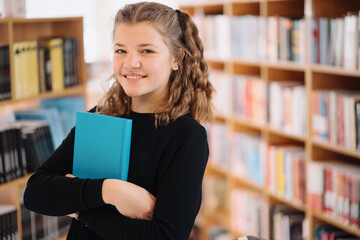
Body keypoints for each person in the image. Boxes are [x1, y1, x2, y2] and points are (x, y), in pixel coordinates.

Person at [24, 2, 214, 239]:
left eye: (147, 51)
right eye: (121, 50)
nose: (130, 63)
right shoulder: (102, 115)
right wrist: (110, 190)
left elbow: (164, 236)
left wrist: (79, 209)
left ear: (176, 58)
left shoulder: (187, 136)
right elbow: (35, 192)